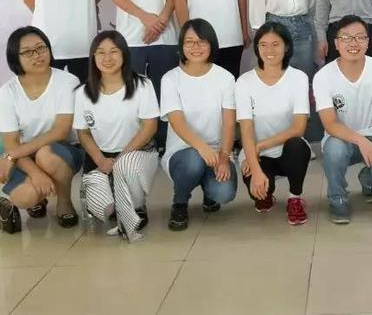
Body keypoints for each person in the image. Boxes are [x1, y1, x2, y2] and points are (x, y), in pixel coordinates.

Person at [313, 15, 372, 224]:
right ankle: (337, 197)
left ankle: (368, 179)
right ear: (336, 43)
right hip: (340, 138)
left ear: (368, 42)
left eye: (360, 37)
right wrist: (361, 141)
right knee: (334, 150)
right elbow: (330, 124)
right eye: (346, 38)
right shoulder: (323, 76)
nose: (353, 43)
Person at [74, 31, 160, 241]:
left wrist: (120, 158)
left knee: (126, 167)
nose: (107, 58)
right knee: (102, 209)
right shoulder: (83, 92)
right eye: (100, 52)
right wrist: (101, 160)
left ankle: (136, 206)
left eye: (114, 51)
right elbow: (83, 133)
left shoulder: (142, 85)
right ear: (93, 57)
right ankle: (117, 203)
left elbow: (149, 127)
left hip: (136, 153)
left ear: (124, 54)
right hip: (101, 157)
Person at [0, 27, 82, 233]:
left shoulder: (67, 81)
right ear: (15, 57)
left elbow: (61, 131)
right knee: (25, 197)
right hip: (22, 156)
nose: (37, 55)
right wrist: (35, 173)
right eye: (28, 52)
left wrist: (12, 155)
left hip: (61, 149)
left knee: (47, 155)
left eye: (41, 48)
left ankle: (64, 202)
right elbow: (10, 144)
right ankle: (36, 199)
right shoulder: (7, 92)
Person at [160, 19, 238, 231]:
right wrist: (202, 148)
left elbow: (229, 122)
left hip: (216, 152)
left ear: (211, 44)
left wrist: (224, 157)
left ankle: (209, 190)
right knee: (194, 161)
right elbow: (177, 122)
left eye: (202, 41)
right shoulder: (170, 79)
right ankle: (180, 202)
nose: (196, 47)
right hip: (182, 152)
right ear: (181, 45)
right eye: (189, 41)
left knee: (224, 193)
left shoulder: (225, 78)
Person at [237, 22, 311, 226]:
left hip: (287, 150)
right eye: (263, 45)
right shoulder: (244, 82)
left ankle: (295, 198)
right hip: (258, 154)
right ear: (257, 48)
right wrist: (255, 168)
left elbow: (298, 128)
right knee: (260, 196)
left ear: (286, 47)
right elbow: (246, 129)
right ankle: (266, 194)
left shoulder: (298, 78)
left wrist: (260, 146)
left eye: (276, 44)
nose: (269, 50)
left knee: (297, 145)